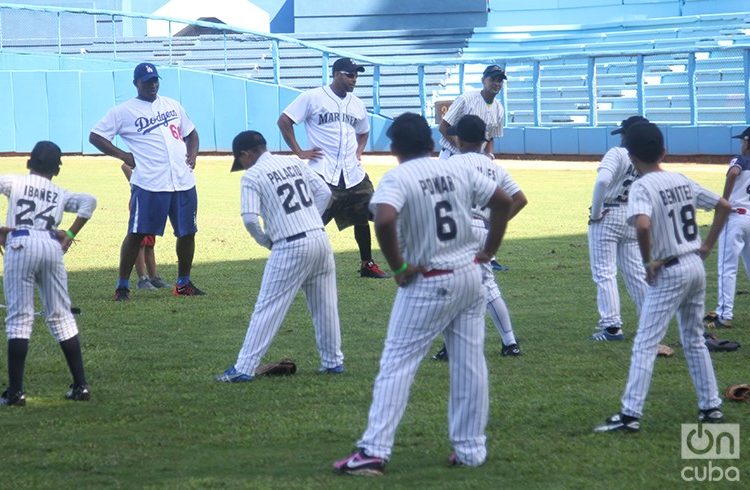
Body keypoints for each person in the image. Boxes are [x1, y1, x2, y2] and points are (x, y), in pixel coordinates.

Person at [333, 113, 512, 475]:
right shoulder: (456, 168)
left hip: (429, 279)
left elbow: (383, 219)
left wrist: (398, 267)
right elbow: (503, 202)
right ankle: (470, 449)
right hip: (471, 275)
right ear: (432, 144)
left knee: (397, 364)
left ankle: (373, 450)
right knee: (469, 364)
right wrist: (489, 251)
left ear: (395, 148)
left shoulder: (398, 176)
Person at [595, 122, 730, 432]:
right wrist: (708, 245)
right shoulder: (679, 178)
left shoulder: (642, 186)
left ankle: (630, 415)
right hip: (695, 264)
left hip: (669, 268)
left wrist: (648, 262)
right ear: (664, 151)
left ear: (630, 155)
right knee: (694, 339)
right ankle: (711, 408)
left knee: (645, 342)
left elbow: (642, 225)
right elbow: (723, 205)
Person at [216, 130, 344, 382]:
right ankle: (333, 362)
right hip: (320, 240)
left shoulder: (252, 175)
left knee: (268, 307)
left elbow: (250, 219)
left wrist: (265, 241)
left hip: (290, 245)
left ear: (246, 154)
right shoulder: (293, 161)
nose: (241, 165)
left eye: (240, 160)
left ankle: (244, 367)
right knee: (325, 305)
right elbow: (326, 194)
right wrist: (311, 221)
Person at [89, 62, 202, 301]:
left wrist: (192, 153)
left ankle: (183, 283)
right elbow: (96, 136)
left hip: (182, 181)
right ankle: (122, 286)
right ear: (136, 83)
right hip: (150, 183)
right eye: (147, 81)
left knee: (187, 232)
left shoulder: (172, 104)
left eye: (155, 80)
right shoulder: (123, 111)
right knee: (137, 233)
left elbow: (191, 133)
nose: (152, 85)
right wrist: (122, 155)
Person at [0, 141, 97, 406]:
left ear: (29, 162)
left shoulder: (15, 183)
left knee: (20, 317)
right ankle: (81, 387)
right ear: (57, 169)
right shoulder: (58, 193)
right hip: (51, 245)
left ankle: (16, 393)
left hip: (20, 243)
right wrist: (71, 233)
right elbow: (89, 201)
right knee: (61, 316)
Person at [277, 57, 387, 279]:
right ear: (336, 74)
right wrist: (299, 151)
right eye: (349, 74)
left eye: (356, 75)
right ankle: (296, 262)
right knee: (315, 221)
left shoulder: (356, 104)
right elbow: (284, 121)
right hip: (322, 170)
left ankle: (367, 263)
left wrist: (359, 152)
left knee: (364, 213)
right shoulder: (313, 97)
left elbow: (363, 131)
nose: (354, 79)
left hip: (352, 172)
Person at [431, 115, 528, 361]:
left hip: (458, 231)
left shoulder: (451, 163)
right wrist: (496, 223)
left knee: (447, 286)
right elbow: (520, 199)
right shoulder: (494, 167)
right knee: (488, 287)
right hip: (484, 229)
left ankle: (451, 346)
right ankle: (510, 342)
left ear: (459, 139)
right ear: (484, 140)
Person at [439, 64, 508, 272]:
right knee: (448, 205)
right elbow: (444, 127)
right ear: (483, 80)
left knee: (483, 208)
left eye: (500, 80)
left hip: (478, 161)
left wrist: (489, 156)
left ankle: (489, 255)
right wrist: (462, 148)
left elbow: (491, 137)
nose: (496, 83)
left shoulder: (499, 108)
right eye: (493, 79)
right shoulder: (466, 99)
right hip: (452, 157)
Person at [587, 115, 649, 341]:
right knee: (636, 274)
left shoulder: (617, 153)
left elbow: (603, 181)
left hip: (609, 213)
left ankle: (612, 327)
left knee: (605, 273)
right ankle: (649, 323)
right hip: (633, 214)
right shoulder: (646, 158)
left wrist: (595, 214)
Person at [704, 127, 750, 329]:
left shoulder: (741, 159)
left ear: (747, 143)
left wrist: (724, 200)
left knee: (727, 267)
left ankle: (724, 314)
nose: (741, 144)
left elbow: (733, 173)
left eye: (743, 141)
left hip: (735, 217)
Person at [120, 163, 168, 290]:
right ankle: (142, 279)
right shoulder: (141, 152)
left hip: (154, 197)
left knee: (150, 242)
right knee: (139, 242)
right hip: (141, 199)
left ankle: (154, 277)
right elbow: (125, 166)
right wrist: (134, 184)